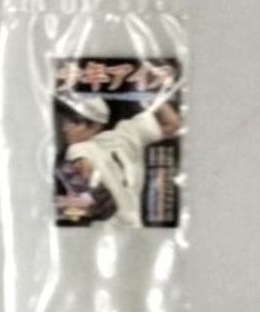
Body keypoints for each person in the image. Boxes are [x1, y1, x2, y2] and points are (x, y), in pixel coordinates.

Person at [56, 92, 181, 227]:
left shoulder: (77, 150)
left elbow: (82, 204)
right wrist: (151, 91)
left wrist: (63, 208)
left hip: (105, 232)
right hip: (136, 229)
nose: (64, 128)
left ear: (91, 126)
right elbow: (172, 124)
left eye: (73, 122)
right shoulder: (125, 135)